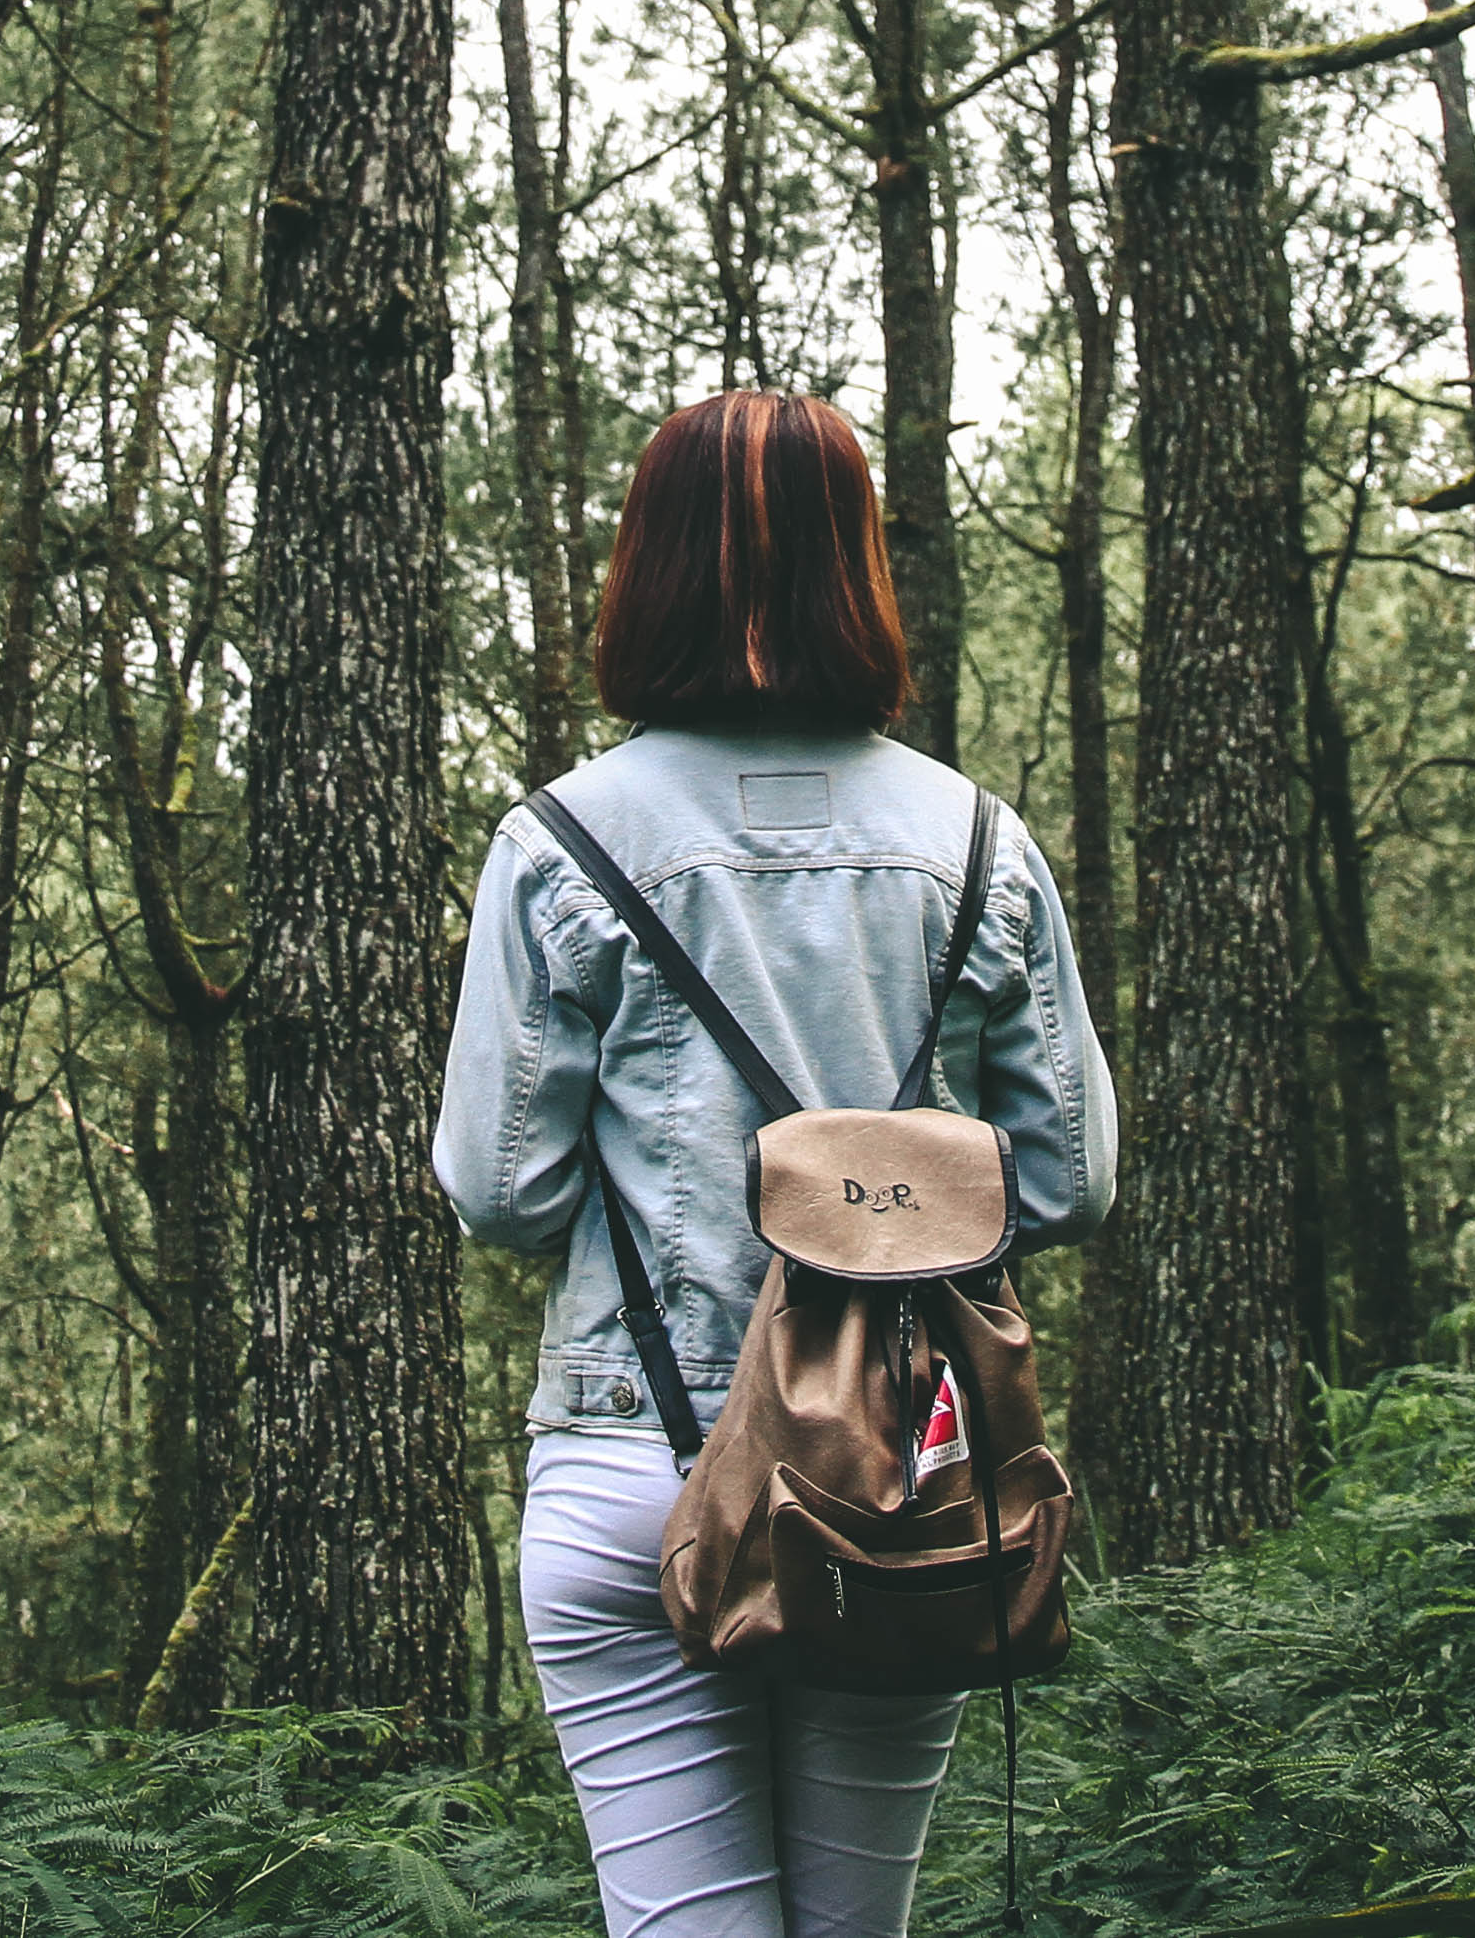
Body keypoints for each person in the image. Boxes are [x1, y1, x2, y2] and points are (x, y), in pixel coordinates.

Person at [435, 389, 1118, 1938]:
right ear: (854, 568)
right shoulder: (975, 840)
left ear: (646, 567)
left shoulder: (559, 841)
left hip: (635, 1457)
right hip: (899, 1478)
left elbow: (503, 1192)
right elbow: (1066, 1182)